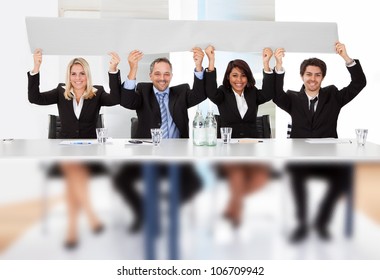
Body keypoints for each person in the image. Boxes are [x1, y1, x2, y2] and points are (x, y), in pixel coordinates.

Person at [273, 42, 366, 242]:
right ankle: (302, 224)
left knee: (343, 179)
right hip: (300, 158)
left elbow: (359, 83)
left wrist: (347, 58)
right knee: (295, 180)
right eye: (309, 74)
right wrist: (278, 65)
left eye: (317, 75)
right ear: (302, 76)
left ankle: (322, 222)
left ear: (322, 77)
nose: (312, 79)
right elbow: (274, 94)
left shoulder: (333, 96)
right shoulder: (292, 98)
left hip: (328, 158)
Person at [28, 49, 122, 248]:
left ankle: (74, 228)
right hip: (66, 152)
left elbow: (116, 99)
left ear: (87, 75)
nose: (78, 78)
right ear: (68, 76)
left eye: (82, 73)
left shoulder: (97, 93)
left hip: (91, 153)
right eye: (74, 73)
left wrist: (113, 70)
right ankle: (89, 216)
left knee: (74, 174)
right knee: (74, 171)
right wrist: (36, 68)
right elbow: (34, 98)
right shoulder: (61, 92)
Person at [113, 48, 206, 233]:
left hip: (177, 156)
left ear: (172, 76)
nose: (162, 78)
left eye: (166, 74)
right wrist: (132, 68)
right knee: (121, 180)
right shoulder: (143, 91)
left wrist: (198, 67)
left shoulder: (181, 92)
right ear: (150, 75)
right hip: (147, 155)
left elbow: (200, 94)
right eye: (157, 74)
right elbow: (127, 101)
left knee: (196, 183)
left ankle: (166, 211)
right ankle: (143, 212)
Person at [204, 45, 277, 226]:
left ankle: (233, 203)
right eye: (235, 75)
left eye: (243, 75)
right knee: (237, 174)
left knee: (261, 178)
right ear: (228, 77)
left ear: (248, 77)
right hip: (228, 150)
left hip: (252, 149)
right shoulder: (222, 93)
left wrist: (266, 64)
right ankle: (236, 212)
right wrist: (211, 62)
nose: (239, 79)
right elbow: (209, 91)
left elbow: (268, 93)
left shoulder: (252, 93)